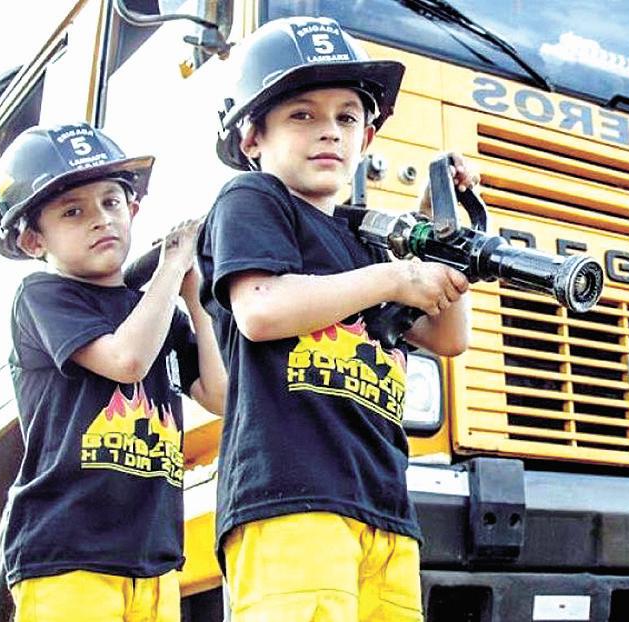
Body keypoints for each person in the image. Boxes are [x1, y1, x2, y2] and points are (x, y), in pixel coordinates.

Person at [198, 16, 474, 621]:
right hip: (290, 503)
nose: (329, 131)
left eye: (347, 118)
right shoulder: (253, 199)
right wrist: (396, 278)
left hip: (385, 511)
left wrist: (445, 239)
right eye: (302, 115)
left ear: (366, 138)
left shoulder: (367, 242)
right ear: (252, 138)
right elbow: (261, 309)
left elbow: (448, 336)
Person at [0, 122, 226, 622]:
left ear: (133, 210)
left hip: (153, 561)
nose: (100, 219)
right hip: (68, 557)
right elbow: (126, 361)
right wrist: (169, 267)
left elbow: (220, 394)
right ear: (32, 240)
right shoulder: (42, 297)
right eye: (73, 211)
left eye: (111, 202)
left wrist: (194, 295)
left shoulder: (159, 312)